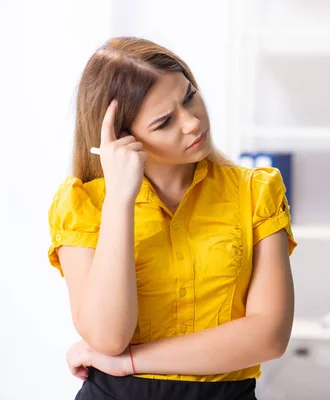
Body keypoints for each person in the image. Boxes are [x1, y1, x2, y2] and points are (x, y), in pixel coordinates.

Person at [46, 36, 297, 400]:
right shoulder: (84, 205)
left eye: (190, 96)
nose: (193, 123)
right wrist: (120, 199)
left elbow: (269, 337)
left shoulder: (256, 192)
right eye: (164, 122)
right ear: (121, 138)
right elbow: (107, 337)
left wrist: (130, 361)